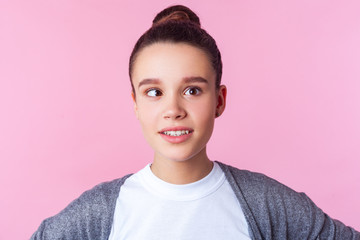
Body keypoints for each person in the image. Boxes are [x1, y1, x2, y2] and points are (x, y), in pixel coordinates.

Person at [31, 5, 359, 240]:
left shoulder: (268, 204)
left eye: (192, 90)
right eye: (154, 91)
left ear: (219, 100)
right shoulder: (99, 213)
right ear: (135, 103)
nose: (173, 109)